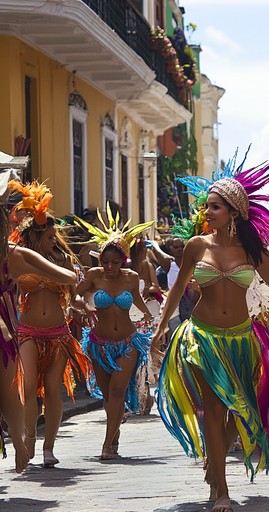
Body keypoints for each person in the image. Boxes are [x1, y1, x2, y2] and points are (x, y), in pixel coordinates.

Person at [151, 158, 269, 512]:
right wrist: (161, 326)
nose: (207, 212)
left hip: (241, 340)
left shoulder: (252, 251)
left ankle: (215, 461)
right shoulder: (197, 245)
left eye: (215, 207)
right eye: (207, 206)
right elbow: (177, 290)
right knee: (213, 408)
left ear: (234, 212)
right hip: (203, 338)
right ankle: (220, 492)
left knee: (237, 413)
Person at [7, 179, 90, 468]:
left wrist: (80, 308)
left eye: (56, 236)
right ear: (35, 236)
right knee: (28, 387)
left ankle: (48, 447)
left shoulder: (64, 261)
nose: (55, 240)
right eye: (51, 236)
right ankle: (28, 441)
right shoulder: (18, 260)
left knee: (54, 389)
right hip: (27, 331)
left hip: (58, 334)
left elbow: (76, 296)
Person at [75, 205, 154, 459]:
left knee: (118, 391)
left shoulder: (131, 278)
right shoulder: (93, 276)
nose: (110, 267)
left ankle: (107, 444)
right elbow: (74, 296)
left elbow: (138, 302)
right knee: (109, 396)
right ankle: (114, 433)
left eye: (115, 262)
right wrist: (83, 308)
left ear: (124, 261)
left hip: (128, 341)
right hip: (99, 343)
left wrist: (149, 314)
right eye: (105, 262)